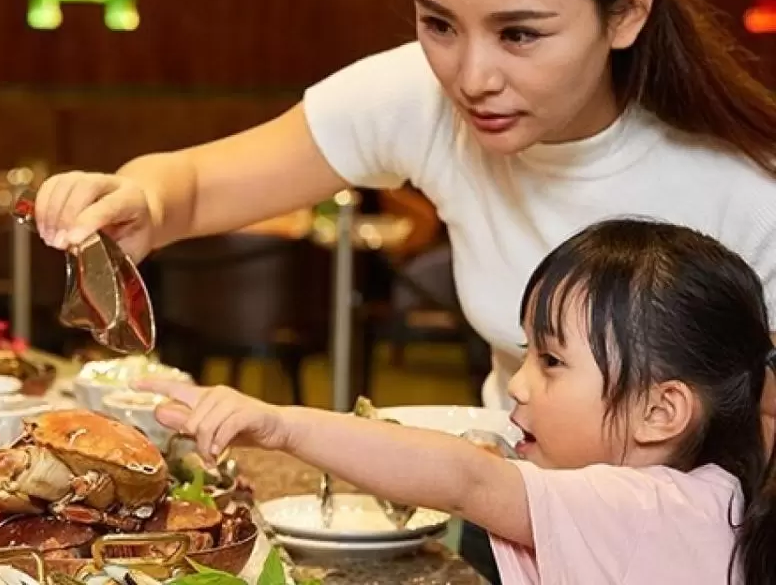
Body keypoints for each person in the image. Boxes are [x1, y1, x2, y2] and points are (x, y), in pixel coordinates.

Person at [33, 0, 776, 577]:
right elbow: (190, 186)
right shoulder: (423, 96)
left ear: (626, 13)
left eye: (520, 34)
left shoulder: (739, 191)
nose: (472, 77)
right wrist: (138, 202)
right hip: (502, 518)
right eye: (439, 23)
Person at [139, 219, 776, 584]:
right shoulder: (704, 494)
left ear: (660, 412)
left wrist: (278, 425)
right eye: (527, 354)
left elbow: (466, 481)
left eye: (551, 362)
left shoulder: (647, 508)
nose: (520, 385)